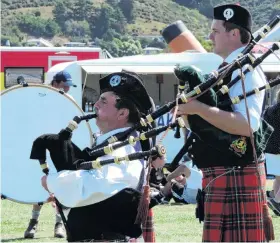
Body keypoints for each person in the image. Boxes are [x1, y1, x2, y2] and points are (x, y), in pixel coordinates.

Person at [174, 4, 273, 242]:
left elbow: (247, 126)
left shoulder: (246, 70)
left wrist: (199, 108)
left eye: (215, 31)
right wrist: (189, 114)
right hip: (224, 173)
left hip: (236, 173)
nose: (209, 37)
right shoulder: (228, 69)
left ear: (234, 33)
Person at [40, 71, 165, 242]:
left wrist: (53, 182)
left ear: (122, 114)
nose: (96, 104)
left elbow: (97, 186)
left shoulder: (123, 149)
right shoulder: (114, 144)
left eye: (104, 101)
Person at [24, 70, 76, 239]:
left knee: (62, 185)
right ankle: (33, 223)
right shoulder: (41, 97)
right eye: (65, 85)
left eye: (69, 86)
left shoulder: (70, 101)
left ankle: (59, 224)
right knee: (36, 184)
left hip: (62, 149)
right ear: (56, 82)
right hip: (42, 144)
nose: (67, 89)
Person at [263, 90, 280, 216]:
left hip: (269, 148)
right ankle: (277, 200)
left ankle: (276, 200)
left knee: (278, 177)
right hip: (279, 147)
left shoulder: (269, 110)